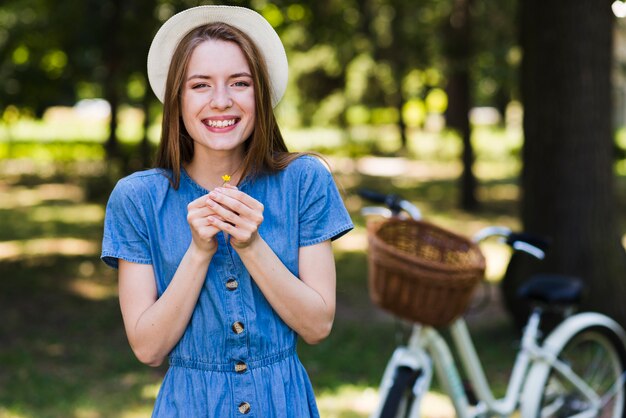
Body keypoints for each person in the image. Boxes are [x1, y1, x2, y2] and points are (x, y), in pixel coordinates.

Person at [100, 4, 353, 417]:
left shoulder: (305, 180)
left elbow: (317, 326)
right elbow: (148, 348)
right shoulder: (137, 199)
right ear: (177, 99)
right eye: (200, 85)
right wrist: (199, 251)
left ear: (261, 93)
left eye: (240, 83)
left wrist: (251, 245)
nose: (221, 101)